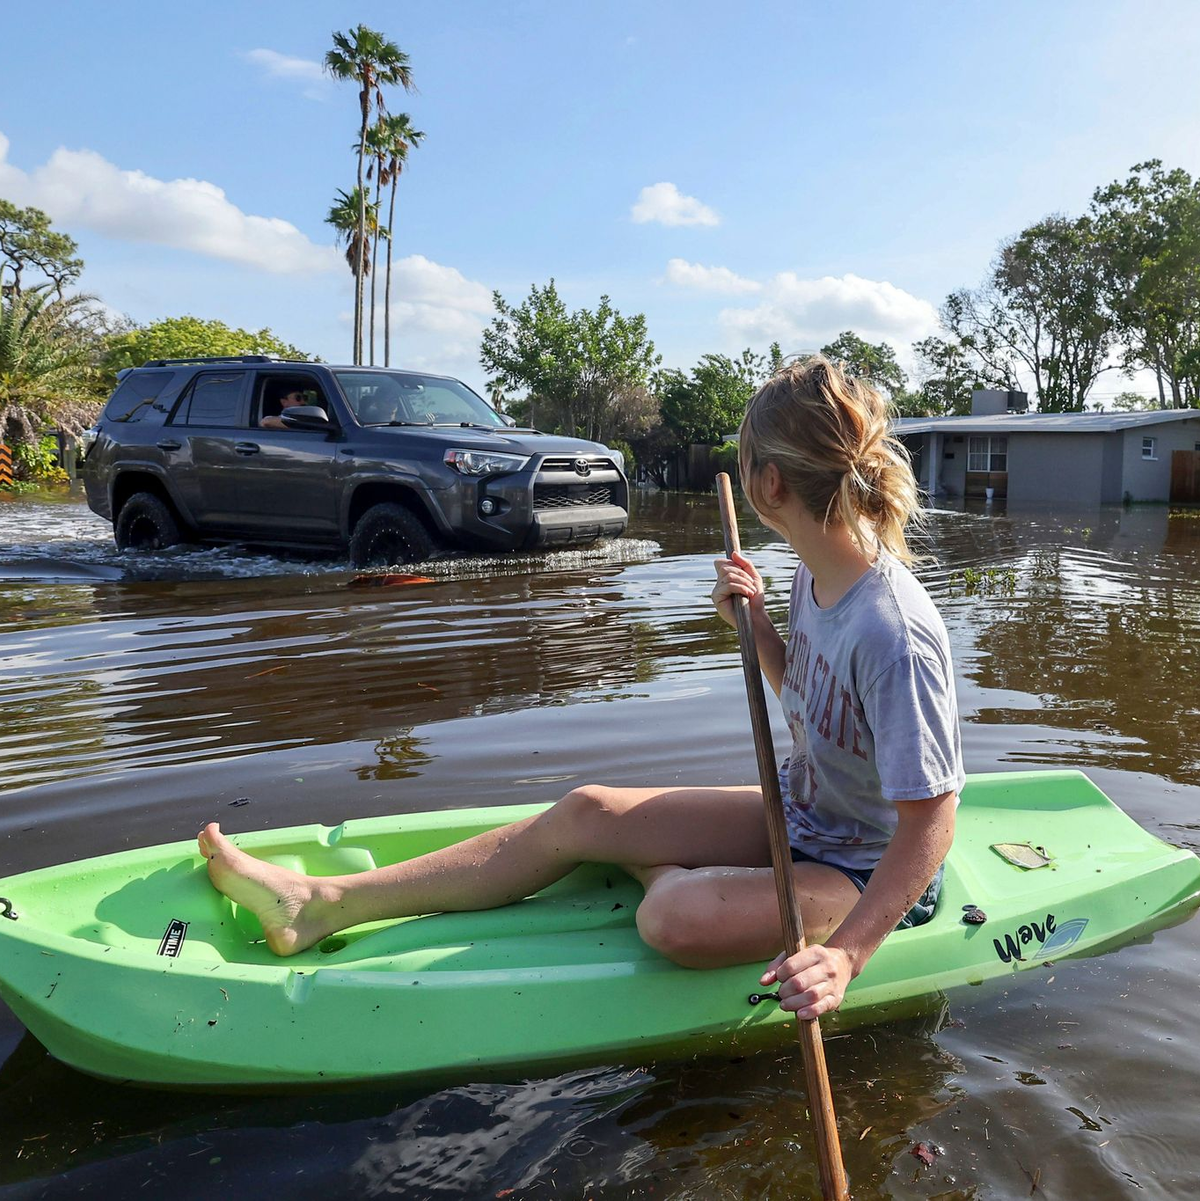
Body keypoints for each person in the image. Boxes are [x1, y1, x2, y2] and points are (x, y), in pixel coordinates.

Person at [199, 356, 962, 1020]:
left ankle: (683, 875)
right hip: (798, 814)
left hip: (861, 868)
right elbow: (814, 701)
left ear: (767, 482)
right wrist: (758, 623)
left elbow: (931, 823)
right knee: (588, 808)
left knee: (671, 915)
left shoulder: (894, 631)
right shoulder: (811, 574)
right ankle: (325, 903)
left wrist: (848, 957)